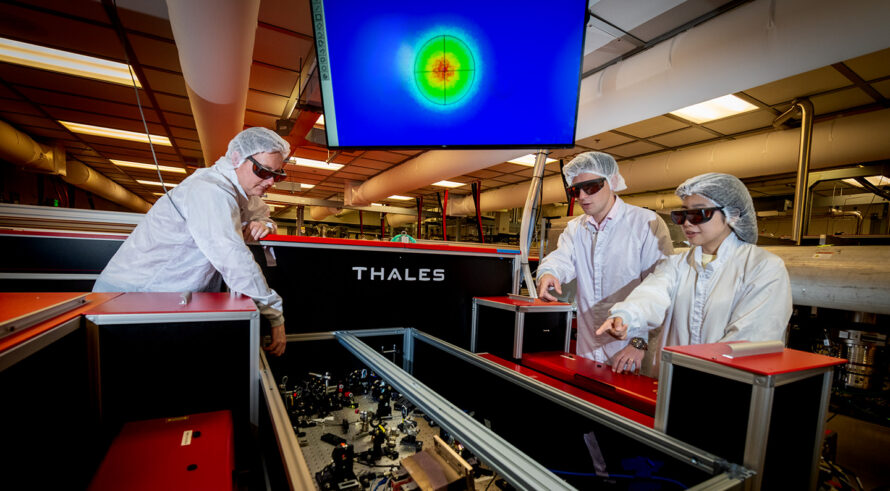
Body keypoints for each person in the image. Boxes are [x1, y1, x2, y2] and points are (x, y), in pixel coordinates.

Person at [93, 127, 290, 356]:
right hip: (132, 300)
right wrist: (275, 315)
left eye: (277, 175)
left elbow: (261, 213)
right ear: (237, 158)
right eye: (263, 171)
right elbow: (233, 259)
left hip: (166, 300)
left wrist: (264, 224)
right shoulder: (209, 190)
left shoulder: (238, 191)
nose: (270, 182)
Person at [596, 172, 792, 375]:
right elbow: (651, 295)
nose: (687, 223)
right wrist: (626, 315)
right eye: (682, 215)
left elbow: (749, 341)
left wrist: (696, 373)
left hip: (727, 389)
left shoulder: (763, 268)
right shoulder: (676, 265)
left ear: (732, 214)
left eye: (699, 214)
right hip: (672, 384)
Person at [536, 152, 673, 374]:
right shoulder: (576, 228)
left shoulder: (645, 223)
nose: (582, 196)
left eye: (591, 187)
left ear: (612, 182)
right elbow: (562, 258)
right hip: (588, 347)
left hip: (632, 350)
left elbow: (663, 288)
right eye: (575, 190)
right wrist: (549, 273)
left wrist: (639, 344)